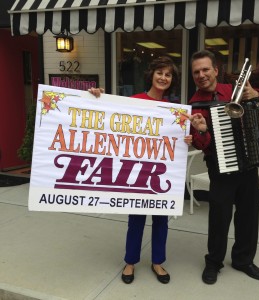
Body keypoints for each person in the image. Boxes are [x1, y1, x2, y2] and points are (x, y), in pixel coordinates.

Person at [89, 56, 192, 284]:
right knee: (135, 220)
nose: (163, 78)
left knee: (161, 221)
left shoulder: (175, 111)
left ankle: (157, 262)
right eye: (160, 73)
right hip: (135, 172)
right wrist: (96, 97)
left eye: (168, 74)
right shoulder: (134, 101)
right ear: (151, 74)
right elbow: (107, 117)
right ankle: (130, 261)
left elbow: (177, 143)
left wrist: (187, 138)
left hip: (161, 174)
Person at [187, 50, 259, 284]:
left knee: (248, 216)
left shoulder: (233, 91)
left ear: (216, 70)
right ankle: (213, 262)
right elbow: (202, 144)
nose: (201, 75)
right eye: (196, 72)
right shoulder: (195, 106)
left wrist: (256, 93)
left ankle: (243, 260)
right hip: (220, 168)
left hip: (248, 165)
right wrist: (202, 130)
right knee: (219, 218)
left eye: (205, 69)